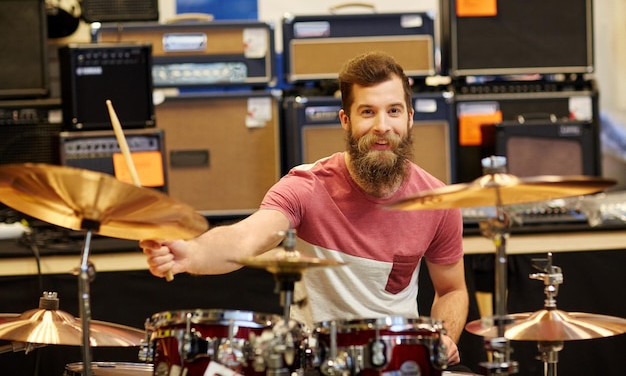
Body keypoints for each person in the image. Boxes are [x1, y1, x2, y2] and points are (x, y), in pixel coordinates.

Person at [140, 51, 469, 368]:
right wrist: (190, 253)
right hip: (317, 362)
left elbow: (452, 289)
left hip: (398, 363)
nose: (382, 125)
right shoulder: (306, 186)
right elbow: (245, 239)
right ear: (345, 120)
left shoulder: (438, 201)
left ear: (410, 118)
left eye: (394, 111)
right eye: (367, 112)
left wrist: (445, 337)